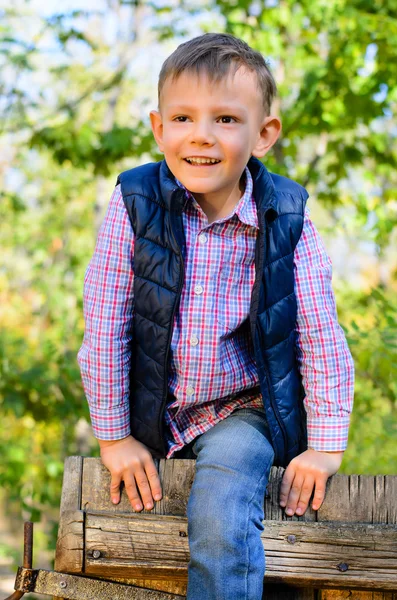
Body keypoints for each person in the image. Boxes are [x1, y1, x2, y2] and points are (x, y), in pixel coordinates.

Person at [78, 32, 354, 600]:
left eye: (226, 119)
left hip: (239, 410)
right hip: (151, 405)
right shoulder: (134, 204)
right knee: (119, 526)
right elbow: (105, 326)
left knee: (224, 505)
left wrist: (325, 445)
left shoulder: (287, 218)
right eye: (183, 117)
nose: (201, 135)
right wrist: (114, 438)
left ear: (264, 134)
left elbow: (320, 336)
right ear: (159, 129)